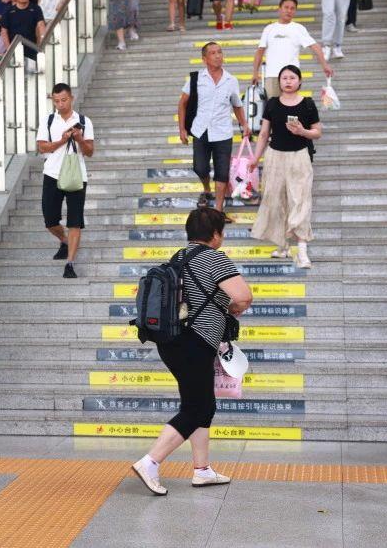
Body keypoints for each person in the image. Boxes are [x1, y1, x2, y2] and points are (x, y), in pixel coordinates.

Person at [130, 207, 253, 495]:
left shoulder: (178, 257)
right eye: (222, 231)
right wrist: (232, 308)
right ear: (215, 234)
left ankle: (202, 470)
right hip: (195, 342)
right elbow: (243, 296)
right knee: (197, 407)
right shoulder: (214, 258)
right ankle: (150, 462)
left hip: (171, 341)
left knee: (202, 404)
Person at [249, 66, 322, 268]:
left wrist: (302, 132)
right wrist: (255, 158)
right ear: (279, 82)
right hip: (275, 157)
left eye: (292, 77)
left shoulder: (308, 104)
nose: (288, 81)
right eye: (284, 78)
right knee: (275, 201)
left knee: (300, 201)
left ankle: (302, 251)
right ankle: (282, 246)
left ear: (300, 81)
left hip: (299, 157)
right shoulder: (272, 104)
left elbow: (317, 132)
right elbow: (264, 134)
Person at [178, 42, 250, 212]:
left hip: (223, 133)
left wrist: (244, 124)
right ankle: (206, 188)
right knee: (200, 168)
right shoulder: (196, 79)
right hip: (200, 131)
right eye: (213, 53)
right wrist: (182, 129)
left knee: (222, 173)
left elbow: (237, 105)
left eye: (219, 52)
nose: (218, 56)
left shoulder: (231, 80)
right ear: (204, 59)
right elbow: (182, 104)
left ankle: (218, 210)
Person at [36, 82, 95, 279]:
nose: (60, 104)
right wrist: (63, 139)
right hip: (52, 173)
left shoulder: (84, 121)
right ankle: (64, 240)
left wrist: (79, 139)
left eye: (64, 100)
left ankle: (70, 262)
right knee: (50, 219)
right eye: (57, 101)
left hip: (77, 175)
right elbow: (42, 147)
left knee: (75, 221)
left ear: (71, 98)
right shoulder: (48, 120)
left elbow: (90, 152)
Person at [251, 0, 333, 100]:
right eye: (286, 7)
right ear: (279, 9)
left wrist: (325, 65)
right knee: (273, 107)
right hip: (272, 75)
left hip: (291, 76)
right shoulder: (269, 29)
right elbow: (260, 52)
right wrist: (255, 73)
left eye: (292, 8)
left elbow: (315, 46)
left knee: (290, 107)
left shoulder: (298, 28)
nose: (289, 11)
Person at [0, 0, 47, 71]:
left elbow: (41, 25)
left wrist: (41, 44)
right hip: (14, 50)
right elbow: (4, 31)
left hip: (32, 49)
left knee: (32, 75)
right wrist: (9, 50)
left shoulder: (36, 9)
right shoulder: (8, 11)